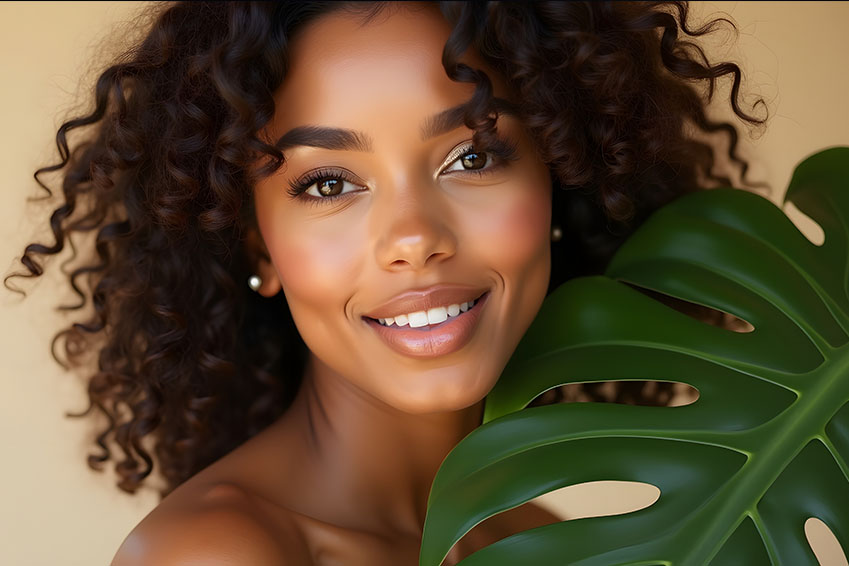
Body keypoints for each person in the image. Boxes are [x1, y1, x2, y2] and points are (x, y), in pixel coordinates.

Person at [5, 1, 766, 564]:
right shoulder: (221, 554)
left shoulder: (540, 540)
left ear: (563, 178)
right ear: (259, 245)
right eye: (329, 183)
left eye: (472, 157)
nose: (413, 239)